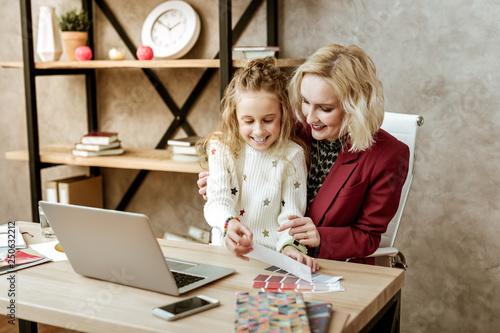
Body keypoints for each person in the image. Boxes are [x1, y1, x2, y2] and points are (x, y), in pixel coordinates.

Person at [198, 44, 410, 264]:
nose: (309, 118)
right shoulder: (285, 119)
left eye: (325, 109)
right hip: (262, 256)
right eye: (305, 101)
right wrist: (221, 182)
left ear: (355, 105)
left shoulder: (389, 156)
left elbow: (368, 236)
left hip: (332, 265)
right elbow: (241, 143)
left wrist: (321, 237)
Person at [197, 57, 319, 271]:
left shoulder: (292, 154)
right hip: (224, 257)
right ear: (235, 117)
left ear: (283, 114)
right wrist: (229, 225)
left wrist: (290, 248)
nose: (259, 131)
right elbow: (217, 201)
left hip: (271, 261)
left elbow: (291, 213)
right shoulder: (221, 146)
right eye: (249, 121)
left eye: (268, 120)